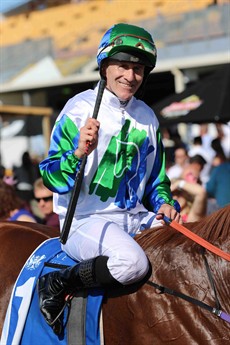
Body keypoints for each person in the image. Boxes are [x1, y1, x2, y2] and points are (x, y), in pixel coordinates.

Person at [37, 23, 182, 334]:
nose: (130, 76)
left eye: (139, 69)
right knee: (132, 263)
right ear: (104, 65)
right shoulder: (78, 109)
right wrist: (77, 153)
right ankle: (58, 282)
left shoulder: (148, 116)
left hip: (136, 218)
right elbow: (50, 176)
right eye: (123, 66)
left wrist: (166, 203)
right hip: (85, 221)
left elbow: (157, 179)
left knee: (185, 249)